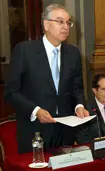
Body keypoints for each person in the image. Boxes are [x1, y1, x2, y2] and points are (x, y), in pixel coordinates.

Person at [4, 4, 89, 154]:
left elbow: (77, 88)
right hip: (35, 132)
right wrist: (35, 110)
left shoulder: (73, 53)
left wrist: (79, 106)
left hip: (65, 132)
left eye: (68, 22)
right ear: (46, 24)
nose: (66, 27)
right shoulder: (25, 51)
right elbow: (11, 92)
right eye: (60, 21)